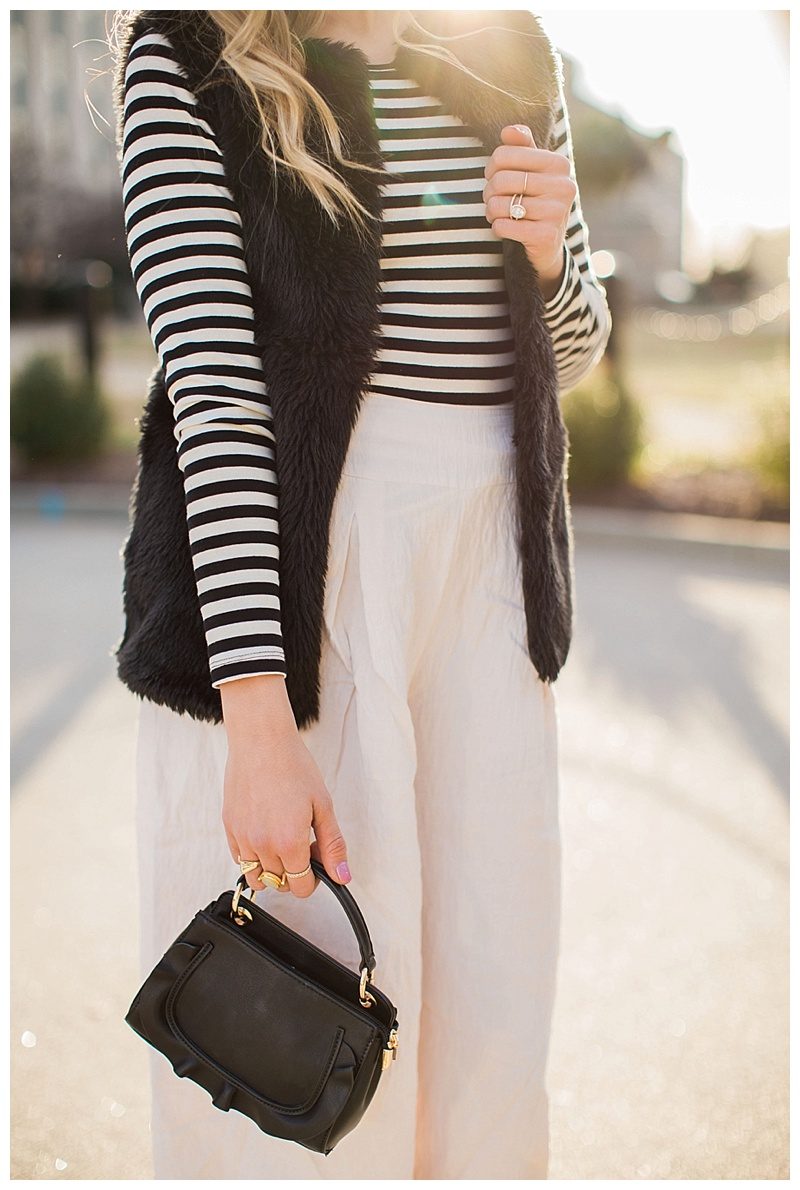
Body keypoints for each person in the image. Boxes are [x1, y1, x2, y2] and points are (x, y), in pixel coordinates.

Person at [111, 7, 611, 1179]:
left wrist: (547, 258)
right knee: (296, 1051)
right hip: (296, 585)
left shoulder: (507, 49)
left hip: (487, 581)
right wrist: (255, 709)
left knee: (487, 1034)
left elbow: (571, 345)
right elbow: (216, 395)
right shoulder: (190, 46)